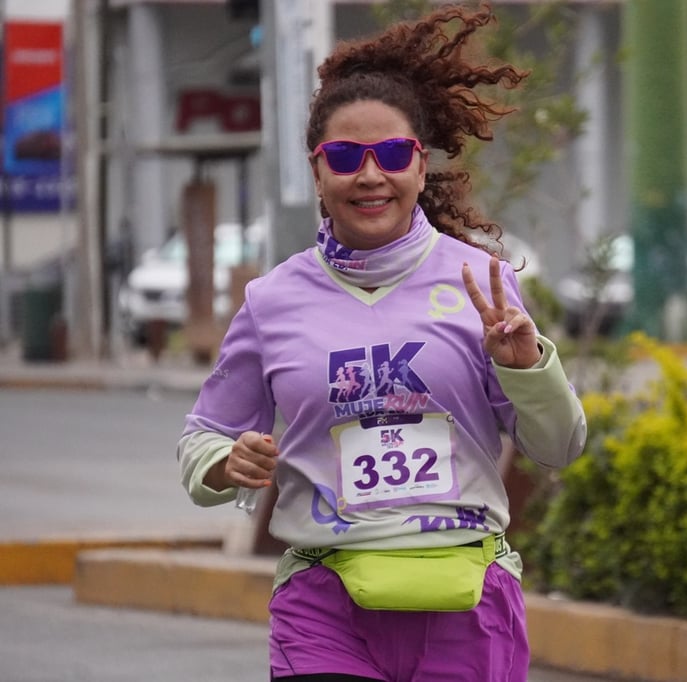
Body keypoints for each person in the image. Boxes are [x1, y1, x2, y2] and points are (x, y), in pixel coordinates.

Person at [177, 5, 587, 681]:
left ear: (421, 169)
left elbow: (559, 446)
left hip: (466, 597)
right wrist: (227, 461)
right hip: (324, 601)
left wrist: (528, 370)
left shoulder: (480, 283)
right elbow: (203, 439)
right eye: (345, 157)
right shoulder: (271, 301)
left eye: (392, 155)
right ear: (318, 172)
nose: (370, 175)